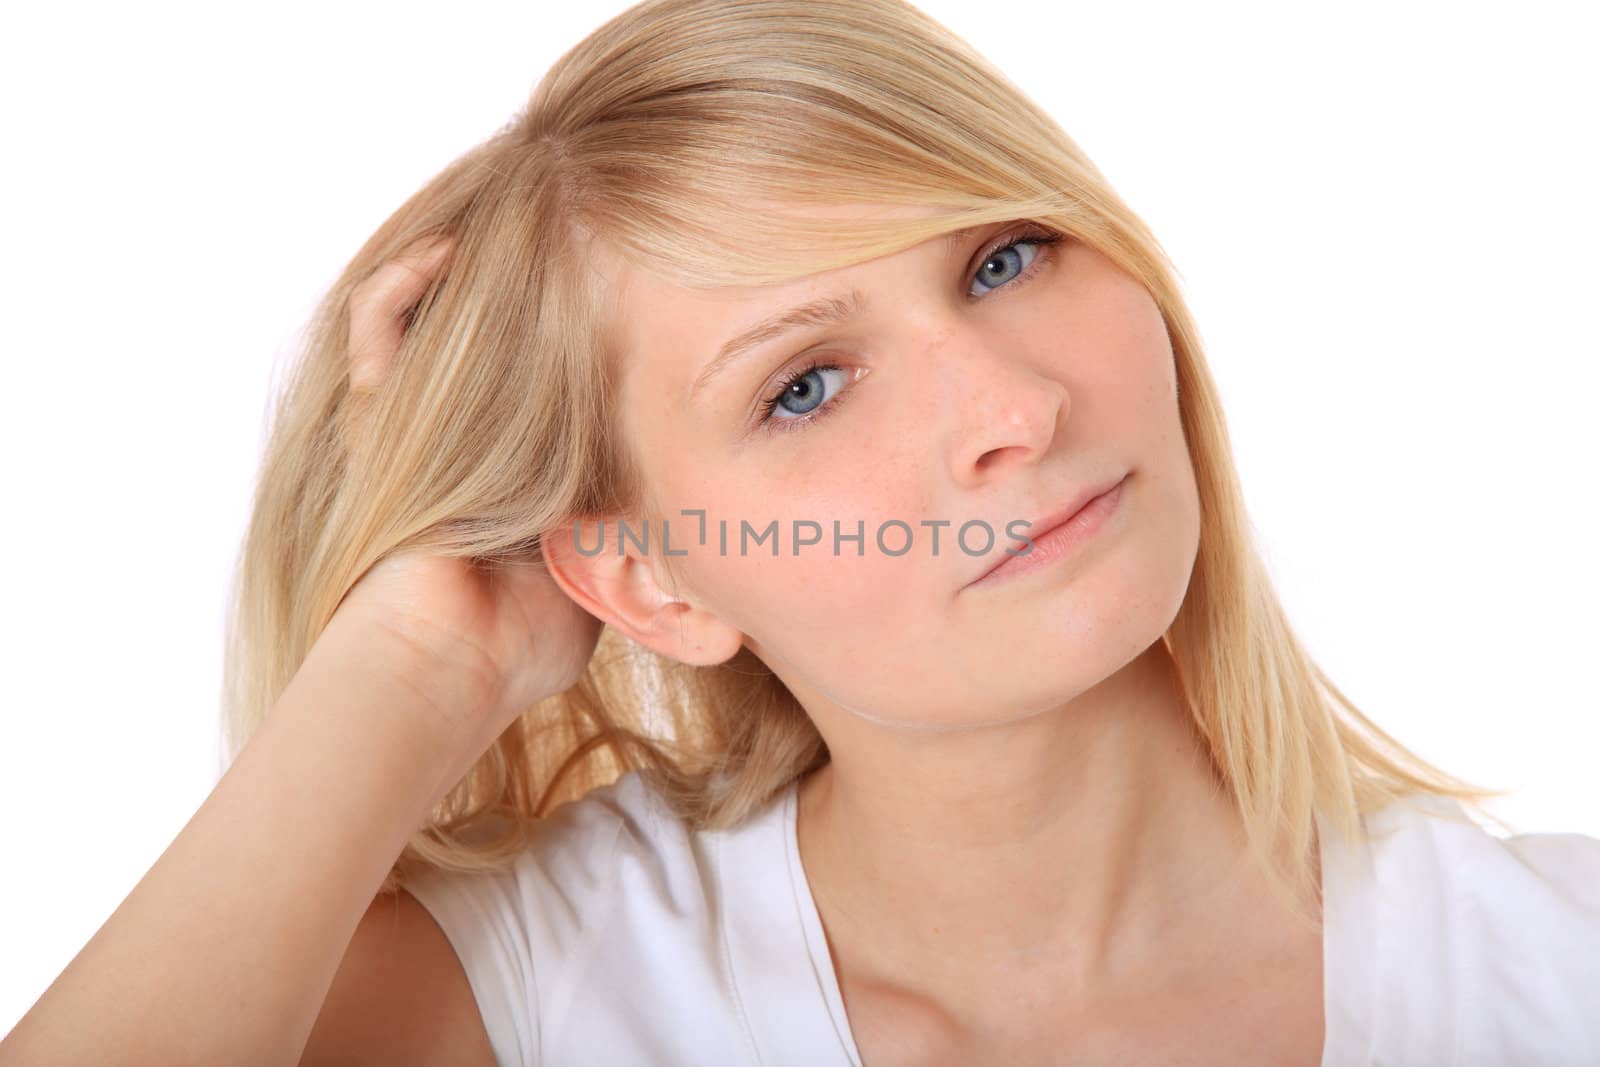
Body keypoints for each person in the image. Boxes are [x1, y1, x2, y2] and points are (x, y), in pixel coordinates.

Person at [5, 0, 1598, 1064]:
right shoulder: (541, 1000)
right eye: (808, 383)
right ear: (644, 573)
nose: (1013, 407)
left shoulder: (1556, 966)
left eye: (1003, 258)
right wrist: (418, 656)